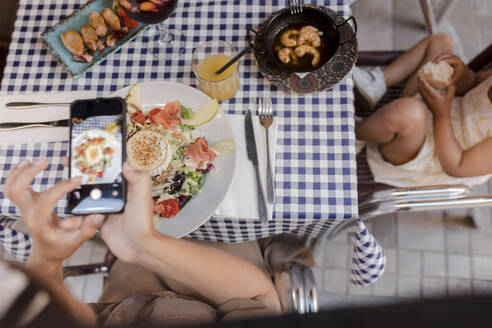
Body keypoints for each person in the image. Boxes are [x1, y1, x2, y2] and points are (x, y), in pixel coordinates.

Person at [0, 159, 313, 327]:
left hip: (131, 280)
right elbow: (258, 298)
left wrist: (46, 258)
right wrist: (146, 245)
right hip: (232, 279)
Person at [353, 33, 492, 187]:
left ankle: (354, 135)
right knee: (440, 42)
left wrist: (441, 115)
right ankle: (376, 83)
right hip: (433, 107)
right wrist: (464, 74)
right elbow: (473, 83)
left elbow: (456, 165)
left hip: (429, 157)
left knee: (408, 112)